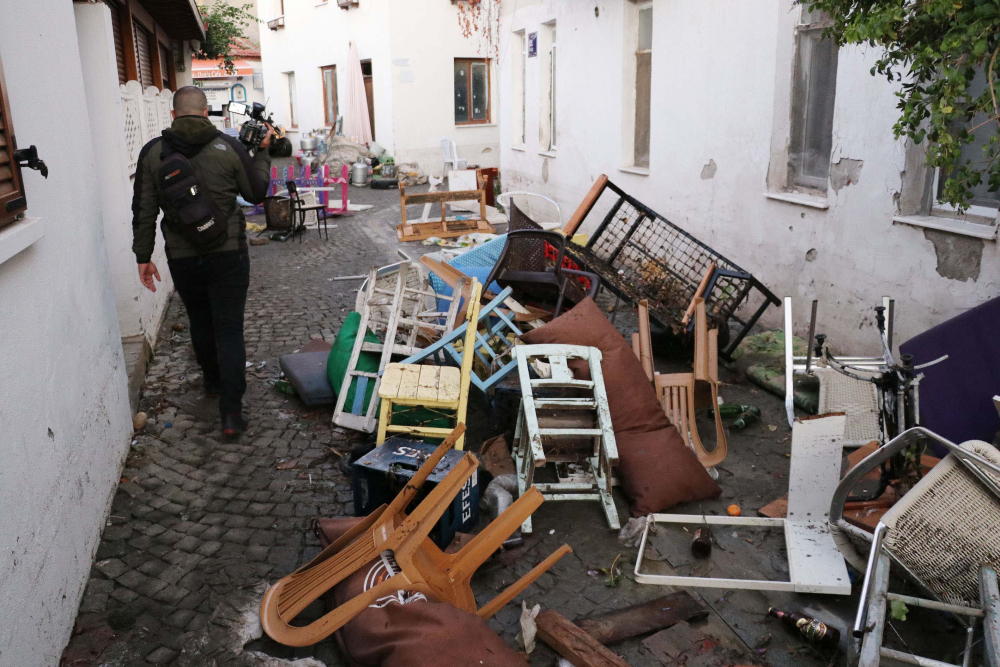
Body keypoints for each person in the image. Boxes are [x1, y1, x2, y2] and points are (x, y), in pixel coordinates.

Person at [132, 86, 273, 438]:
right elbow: (256, 193)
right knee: (228, 328)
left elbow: (144, 210)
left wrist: (143, 256)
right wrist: (264, 155)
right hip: (228, 253)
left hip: (182, 257)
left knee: (200, 320)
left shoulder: (152, 153)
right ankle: (231, 412)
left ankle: (211, 380)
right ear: (207, 111)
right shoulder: (229, 147)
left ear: (173, 114)